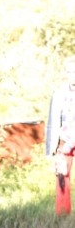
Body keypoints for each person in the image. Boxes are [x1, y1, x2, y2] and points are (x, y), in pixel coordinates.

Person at [45, 56, 75, 215]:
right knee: (62, 176)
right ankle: (63, 214)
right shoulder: (59, 93)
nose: (73, 74)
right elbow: (52, 120)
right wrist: (52, 147)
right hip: (65, 140)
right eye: (70, 71)